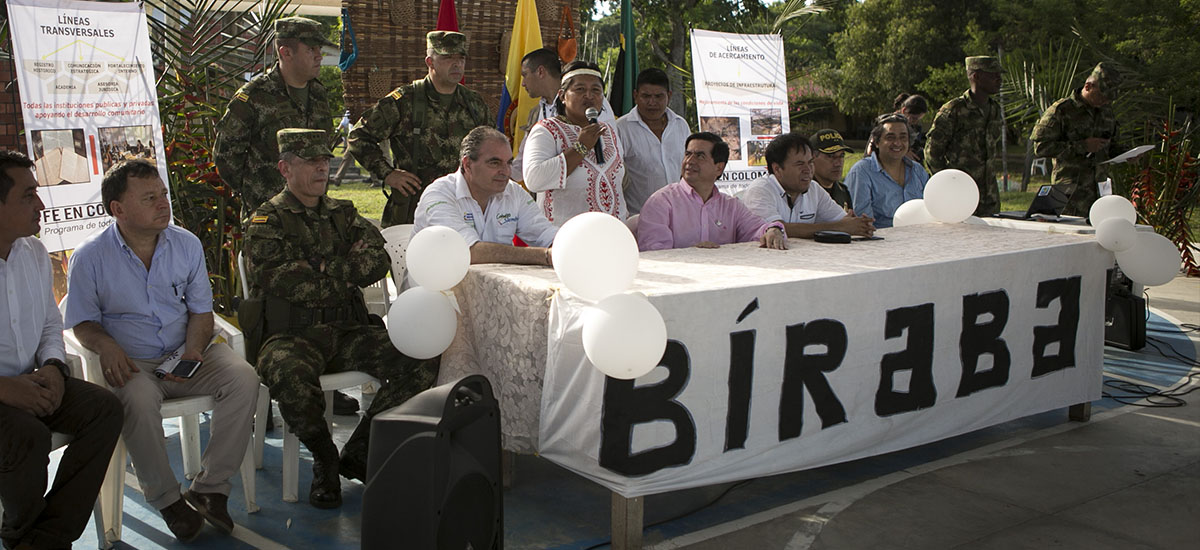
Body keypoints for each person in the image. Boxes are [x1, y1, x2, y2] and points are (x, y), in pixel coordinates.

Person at [65, 159, 260, 541]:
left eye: (164, 195)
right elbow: (83, 323)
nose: (163, 204)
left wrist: (191, 352)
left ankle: (210, 489)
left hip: (187, 350)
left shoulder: (185, 244)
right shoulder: (89, 257)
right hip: (131, 360)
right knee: (136, 398)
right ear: (117, 209)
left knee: (244, 377)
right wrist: (105, 346)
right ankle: (168, 500)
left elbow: (202, 313)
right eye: (150, 198)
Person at [243, 129, 435, 509]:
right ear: (285, 168)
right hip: (290, 335)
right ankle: (324, 456)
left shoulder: (343, 213)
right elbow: (282, 281)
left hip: (348, 330)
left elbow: (378, 261)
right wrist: (346, 266)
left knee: (422, 355)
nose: (321, 167)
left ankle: (361, 452)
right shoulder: (268, 220)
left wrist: (320, 266)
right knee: (289, 376)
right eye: (310, 161)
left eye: (324, 160)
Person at [0, 151, 123, 550]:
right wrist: (5, 388)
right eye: (28, 195)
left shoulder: (32, 254)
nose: (41, 204)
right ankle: (23, 536)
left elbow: (51, 324)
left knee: (104, 409)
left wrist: (54, 367)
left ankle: (44, 539)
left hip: (36, 382)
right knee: (28, 436)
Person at [348, 31, 491, 227]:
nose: (457, 64)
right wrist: (388, 173)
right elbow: (358, 137)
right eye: (448, 57)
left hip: (463, 206)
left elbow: (491, 147)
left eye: (461, 58)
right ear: (430, 62)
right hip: (415, 208)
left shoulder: (474, 103)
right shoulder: (405, 101)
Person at [214, 16, 336, 222]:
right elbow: (225, 158)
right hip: (268, 219)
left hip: (313, 217)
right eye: (311, 50)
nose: (319, 56)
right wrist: (258, 189)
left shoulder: (318, 93)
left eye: (319, 49)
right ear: (286, 52)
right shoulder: (253, 96)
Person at [414, 127, 557, 264]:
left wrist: (565, 246)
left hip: (493, 285)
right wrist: (544, 256)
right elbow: (467, 252)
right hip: (436, 287)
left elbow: (546, 234)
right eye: (495, 163)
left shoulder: (514, 192)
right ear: (467, 165)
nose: (505, 171)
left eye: (509, 163)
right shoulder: (439, 194)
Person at [638, 132, 787, 251]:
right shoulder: (661, 202)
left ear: (719, 167)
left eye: (700, 156)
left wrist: (773, 229)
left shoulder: (731, 206)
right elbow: (654, 253)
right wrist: (691, 254)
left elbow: (758, 229)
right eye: (688, 154)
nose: (690, 161)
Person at [523, 60, 626, 224]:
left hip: (611, 234)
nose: (589, 95)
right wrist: (580, 148)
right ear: (562, 96)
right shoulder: (546, 130)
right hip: (566, 236)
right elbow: (534, 179)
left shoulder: (609, 131)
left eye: (596, 90)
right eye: (580, 89)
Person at [739, 133, 874, 238]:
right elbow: (779, 228)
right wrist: (840, 227)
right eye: (799, 164)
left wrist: (859, 224)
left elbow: (843, 220)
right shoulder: (760, 190)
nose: (808, 170)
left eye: (810, 163)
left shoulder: (813, 189)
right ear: (777, 169)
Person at [1031, 62, 1123, 216]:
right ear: (1088, 86)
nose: (1105, 101)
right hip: (1070, 193)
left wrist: (1127, 154)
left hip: (1101, 192)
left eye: (1109, 99)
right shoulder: (1062, 110)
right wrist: (1082, 146)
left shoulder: (1106, 112)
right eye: (1102, 95)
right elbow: (1041, 147)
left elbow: (1111, 145)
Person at [512, 48, 616, 183]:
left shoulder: (591, 105)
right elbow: (524, 160)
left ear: (541, 71)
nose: (523, 83)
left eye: (525, 75)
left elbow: (606, 155)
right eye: (580, 89)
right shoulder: (536, 112)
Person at [925, 56, 1006, 217]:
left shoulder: (994, 109)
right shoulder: (954, 110)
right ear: (976, 76)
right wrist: (948, 182)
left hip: (989, 196)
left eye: (999, 75)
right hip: (960, 195)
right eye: (993, 75)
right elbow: (932, 151)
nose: (999, 80)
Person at [615, 68, 690, 215]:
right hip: (639, 217)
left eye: (658, 96)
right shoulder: (621, 129)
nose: (652, 102)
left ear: (669, 96)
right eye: (646, 96)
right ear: (635, 96)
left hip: (678, 215)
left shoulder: (681, 125)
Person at [846, 114, 930, 228]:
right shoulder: (862, 172)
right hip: (881, 241)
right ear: (876, 142)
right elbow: (863, 223)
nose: (897, 143)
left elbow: (930, 210)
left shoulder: (918, 171)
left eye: (903, 137)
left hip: (920, 237)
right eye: (890, 137)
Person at [865, 94, 928, 163]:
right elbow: (870, 152)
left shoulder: (913, 128)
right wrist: (903, 152)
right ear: (904, 111)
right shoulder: (886, 124)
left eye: (919, 119)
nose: (915, 122)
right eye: (914, 118)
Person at [810, 129, 855, 211]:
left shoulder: (843, 192)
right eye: (830, 156)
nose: (838, 163)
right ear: (812, 158)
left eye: (841, 156)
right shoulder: (802, 193)